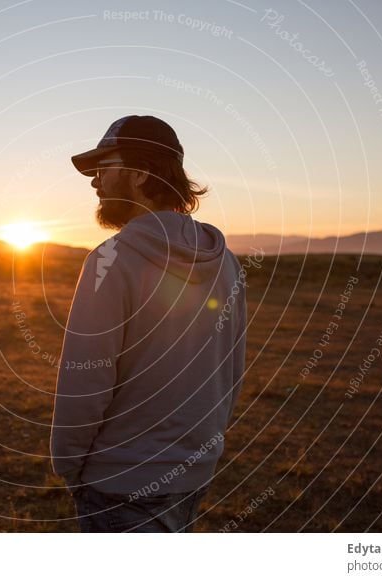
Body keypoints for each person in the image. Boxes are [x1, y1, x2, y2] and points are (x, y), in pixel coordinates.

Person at [50, 115, 247, 532]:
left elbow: (86, 378)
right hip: (193, 471)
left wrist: (68, 464)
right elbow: (231, 369)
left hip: (121, 480)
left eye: (105, 168)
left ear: (140, 173)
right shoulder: (225, 261)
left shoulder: (110, 259)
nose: (94, 182)